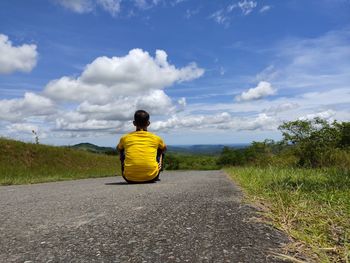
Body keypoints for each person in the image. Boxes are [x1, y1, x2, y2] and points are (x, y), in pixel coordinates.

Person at [117, 110, 167, 183]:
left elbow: (118, 149)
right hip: (152, 177)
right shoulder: (156, 138)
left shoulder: (125, 138)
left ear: (134, 123)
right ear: (148, 123)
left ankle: (128, 169)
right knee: (161, 149)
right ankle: (158, 169)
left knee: (121, 149)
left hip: (129, 178)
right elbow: (164, 149)